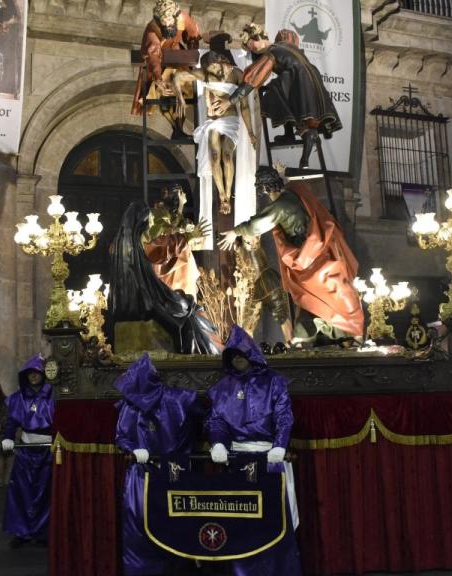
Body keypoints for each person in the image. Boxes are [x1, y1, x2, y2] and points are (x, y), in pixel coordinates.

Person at [218, 167, 364, 342]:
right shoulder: (293, 192)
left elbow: (259, 224)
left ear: (264, 189)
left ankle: (342, 332)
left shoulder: (281, 205)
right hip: (319, 252)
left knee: (318, 295)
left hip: (310, 258)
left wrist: (236, 232)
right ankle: (322, 333)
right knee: (324, 295)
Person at [207, 326, 302, 576]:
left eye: (242, 355)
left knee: (276, 521)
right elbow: (217, 420)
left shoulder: (274, 383)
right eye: (233, 356)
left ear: (251, 355)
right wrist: (217, 442)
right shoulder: (223, 388)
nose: (238, 360)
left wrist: (280, 445)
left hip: (270, 458)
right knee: (241, 524)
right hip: (237, 460)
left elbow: (284, 417)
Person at [115, 354, 201, 575]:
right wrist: (134, 449)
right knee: (138, 527)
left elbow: (207, 418)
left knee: (176, 526)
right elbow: (122, 436)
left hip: (175, 473)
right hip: (142, 475)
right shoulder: (131, 406)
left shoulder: (179, 399)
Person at [109, 201, 221, 355]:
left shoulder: (118, 243)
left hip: (128, 303)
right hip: (148, 297)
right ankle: (203, 358)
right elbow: (158, 253)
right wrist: (187, 238)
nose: (149, 224)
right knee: (188, 313)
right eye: (148, 219)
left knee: (186, 307)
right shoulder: (139, 238)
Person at [226, 24, 342, 168]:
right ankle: (301, 155)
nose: (253, 48)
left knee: (274, 91)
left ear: (261, 37)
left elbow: (254, 78)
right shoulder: (287, 45)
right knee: (306, 115)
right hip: (311, 77)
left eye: (252, 43)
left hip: (297, 78)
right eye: (249, 48)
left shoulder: (273, 50)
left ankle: (294, 141)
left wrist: (231, 100)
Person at [172, 48, 258, 223]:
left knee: (227, 157)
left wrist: (250, 132)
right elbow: (178, 77)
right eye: (211, 70)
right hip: (213, 122)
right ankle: (222, 195)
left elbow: (245, 107)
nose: (217, 72)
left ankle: (228, 192)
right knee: (214, 155)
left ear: (221, 61)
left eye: (217, 68)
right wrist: (179, 96)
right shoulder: (204, 75)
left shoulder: (237, 74)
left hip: (231, 121)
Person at [1, 355, 54, 548]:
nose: (33, 376)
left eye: (37, 373)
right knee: (21, 492)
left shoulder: (53, 396)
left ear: (43, 375)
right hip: (25, 451)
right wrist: (7, 437)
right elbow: (12, 422)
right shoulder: (18, 398)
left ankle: (42, 532)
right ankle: (21, 532)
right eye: (30, 373)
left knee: (44, 493)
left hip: (47, 452)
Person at [131, 0, 202, 138]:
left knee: (182, 90)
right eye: (164, 22)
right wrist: (158, 78)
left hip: (178, 58)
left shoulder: (183, 18)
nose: (168, 24)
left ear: (175, 16)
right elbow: (153, 55)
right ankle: (176, 128)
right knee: (164, 95)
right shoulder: (152, 30)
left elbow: (193, 34)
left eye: (170, 20)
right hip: (159, 63)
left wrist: (193, 53)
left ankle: (178, 129)